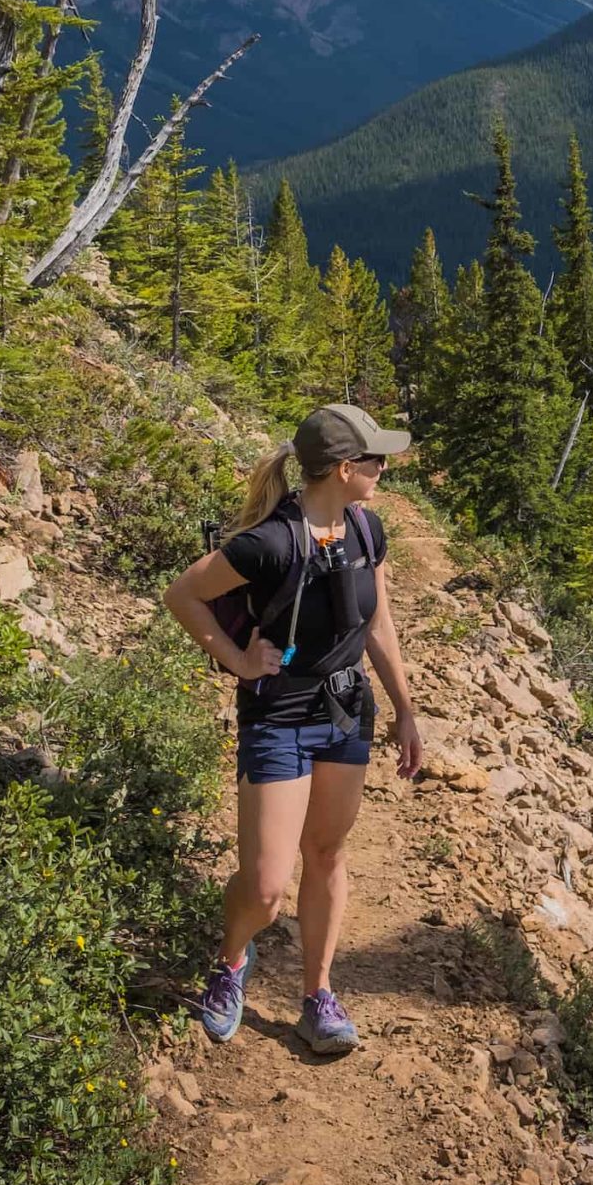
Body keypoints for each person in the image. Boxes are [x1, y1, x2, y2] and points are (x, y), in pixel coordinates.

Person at [163, 401, 424, 1054]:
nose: (384, 468)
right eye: (375, 459)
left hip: (344, 714)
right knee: (265, 887)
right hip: (278, 715)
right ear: (343, 468)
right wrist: (234, 658)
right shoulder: (270, 542)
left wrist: (405, 709)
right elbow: (183, 594)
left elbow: (378, 624)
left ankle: (318, 995)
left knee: (328, 853)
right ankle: (229, 964)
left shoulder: (366, 531)